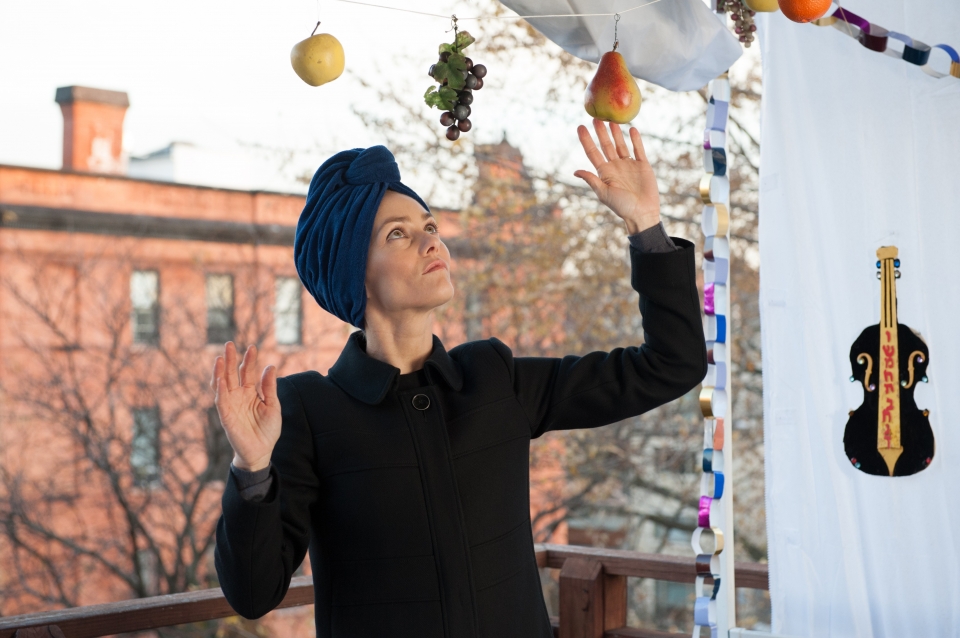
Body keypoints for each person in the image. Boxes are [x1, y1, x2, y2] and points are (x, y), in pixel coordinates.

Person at [212, 120, 706, 638]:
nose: (430, 242)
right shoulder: (308, 410)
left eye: (430, 227)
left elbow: (670, 365)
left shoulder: (492, 378)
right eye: (398, 233)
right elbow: (253, 594)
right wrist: (252, 468)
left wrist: (646, 224)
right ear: (354, 272)